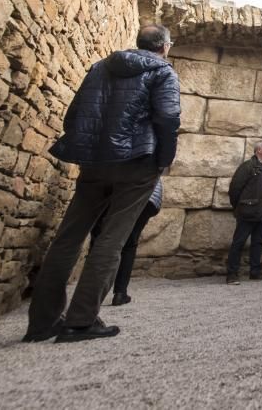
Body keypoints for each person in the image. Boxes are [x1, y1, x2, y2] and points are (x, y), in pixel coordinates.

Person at [23, 24, 180, 343]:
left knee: (68, 237)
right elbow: (168, 118)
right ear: (164, 46)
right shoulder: (163, 71)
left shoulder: (100, 68)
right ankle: (80, 321)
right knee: (113, 238)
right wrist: (164, 159)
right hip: (138, 162)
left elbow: (74, 116)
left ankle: (41, 323)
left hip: (96, 162)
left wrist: (92, 147)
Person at [90, 178, 164, 305]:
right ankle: (120, 293)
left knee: (101, 239)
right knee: (129, 244)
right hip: (150, 196)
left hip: (122, 191)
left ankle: (91, 292)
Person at [226, 141, 262, 284]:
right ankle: (232, 274)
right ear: (258, 150)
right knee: (239, 243)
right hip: (247, 212)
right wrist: (240, 206)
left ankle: (255, 272)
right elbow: (234, 189)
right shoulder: (247, 166)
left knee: (258, 242)